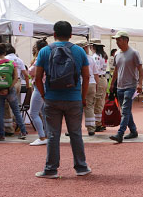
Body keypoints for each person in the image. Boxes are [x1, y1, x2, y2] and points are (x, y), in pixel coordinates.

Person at [34, 21, 90, 178]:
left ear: (54, 34)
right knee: (75, 133)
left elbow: (38, 77)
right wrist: (82, 97)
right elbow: (86, 76)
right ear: (71, 35)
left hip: (52, 98)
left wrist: (44, 95)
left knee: (52, 134)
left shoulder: (44, 51)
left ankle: (51, 169)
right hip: (74, 98)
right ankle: (81, 167)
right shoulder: (79, 51)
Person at [109, 31, 143, 143]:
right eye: (116, 40)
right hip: (119, 87)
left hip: (131, 86)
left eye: (119, 39)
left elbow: (140, 69)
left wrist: (140, 84)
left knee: (125, 110)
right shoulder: (117, 54)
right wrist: (112, 84)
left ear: (125, 40)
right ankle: (133, 131)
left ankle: (120, 133)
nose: (117, 42)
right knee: (126, 110)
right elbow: (116, 70)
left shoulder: (134, 53)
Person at [0, 43, 26, 141]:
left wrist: (0, 89)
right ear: (4, 52)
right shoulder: (11, 63)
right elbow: (15, 77)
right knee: (16, 111)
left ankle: (1, 135)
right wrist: (9, 88)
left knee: (0, 112)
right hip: (10, 90)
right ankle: (23, 131)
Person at [28, 38, 49, 146]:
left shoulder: (39, 58)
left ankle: (42, 137)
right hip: (47, 85)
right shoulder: (49, 56)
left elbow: (32, 71)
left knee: (33, 112)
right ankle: (46, 135)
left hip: (39, 86)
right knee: (44, 112)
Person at [79, 41, 100, 136]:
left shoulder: (77, 58)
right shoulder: (91, 59)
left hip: (80, 84)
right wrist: (96, 85)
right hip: (92, 83)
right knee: (90, 106)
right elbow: (96, 74)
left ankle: (74, 128)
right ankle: (91, 128)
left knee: (76, 107)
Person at [92, 43, 108, 132]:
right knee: (101, 101)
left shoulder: (95, 56)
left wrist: (96, 82)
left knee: (97, 102)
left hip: (98, 79)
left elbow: (96, 71)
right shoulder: (103, 55)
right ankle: (101, 122)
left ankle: (98, 124)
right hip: (104, 78)